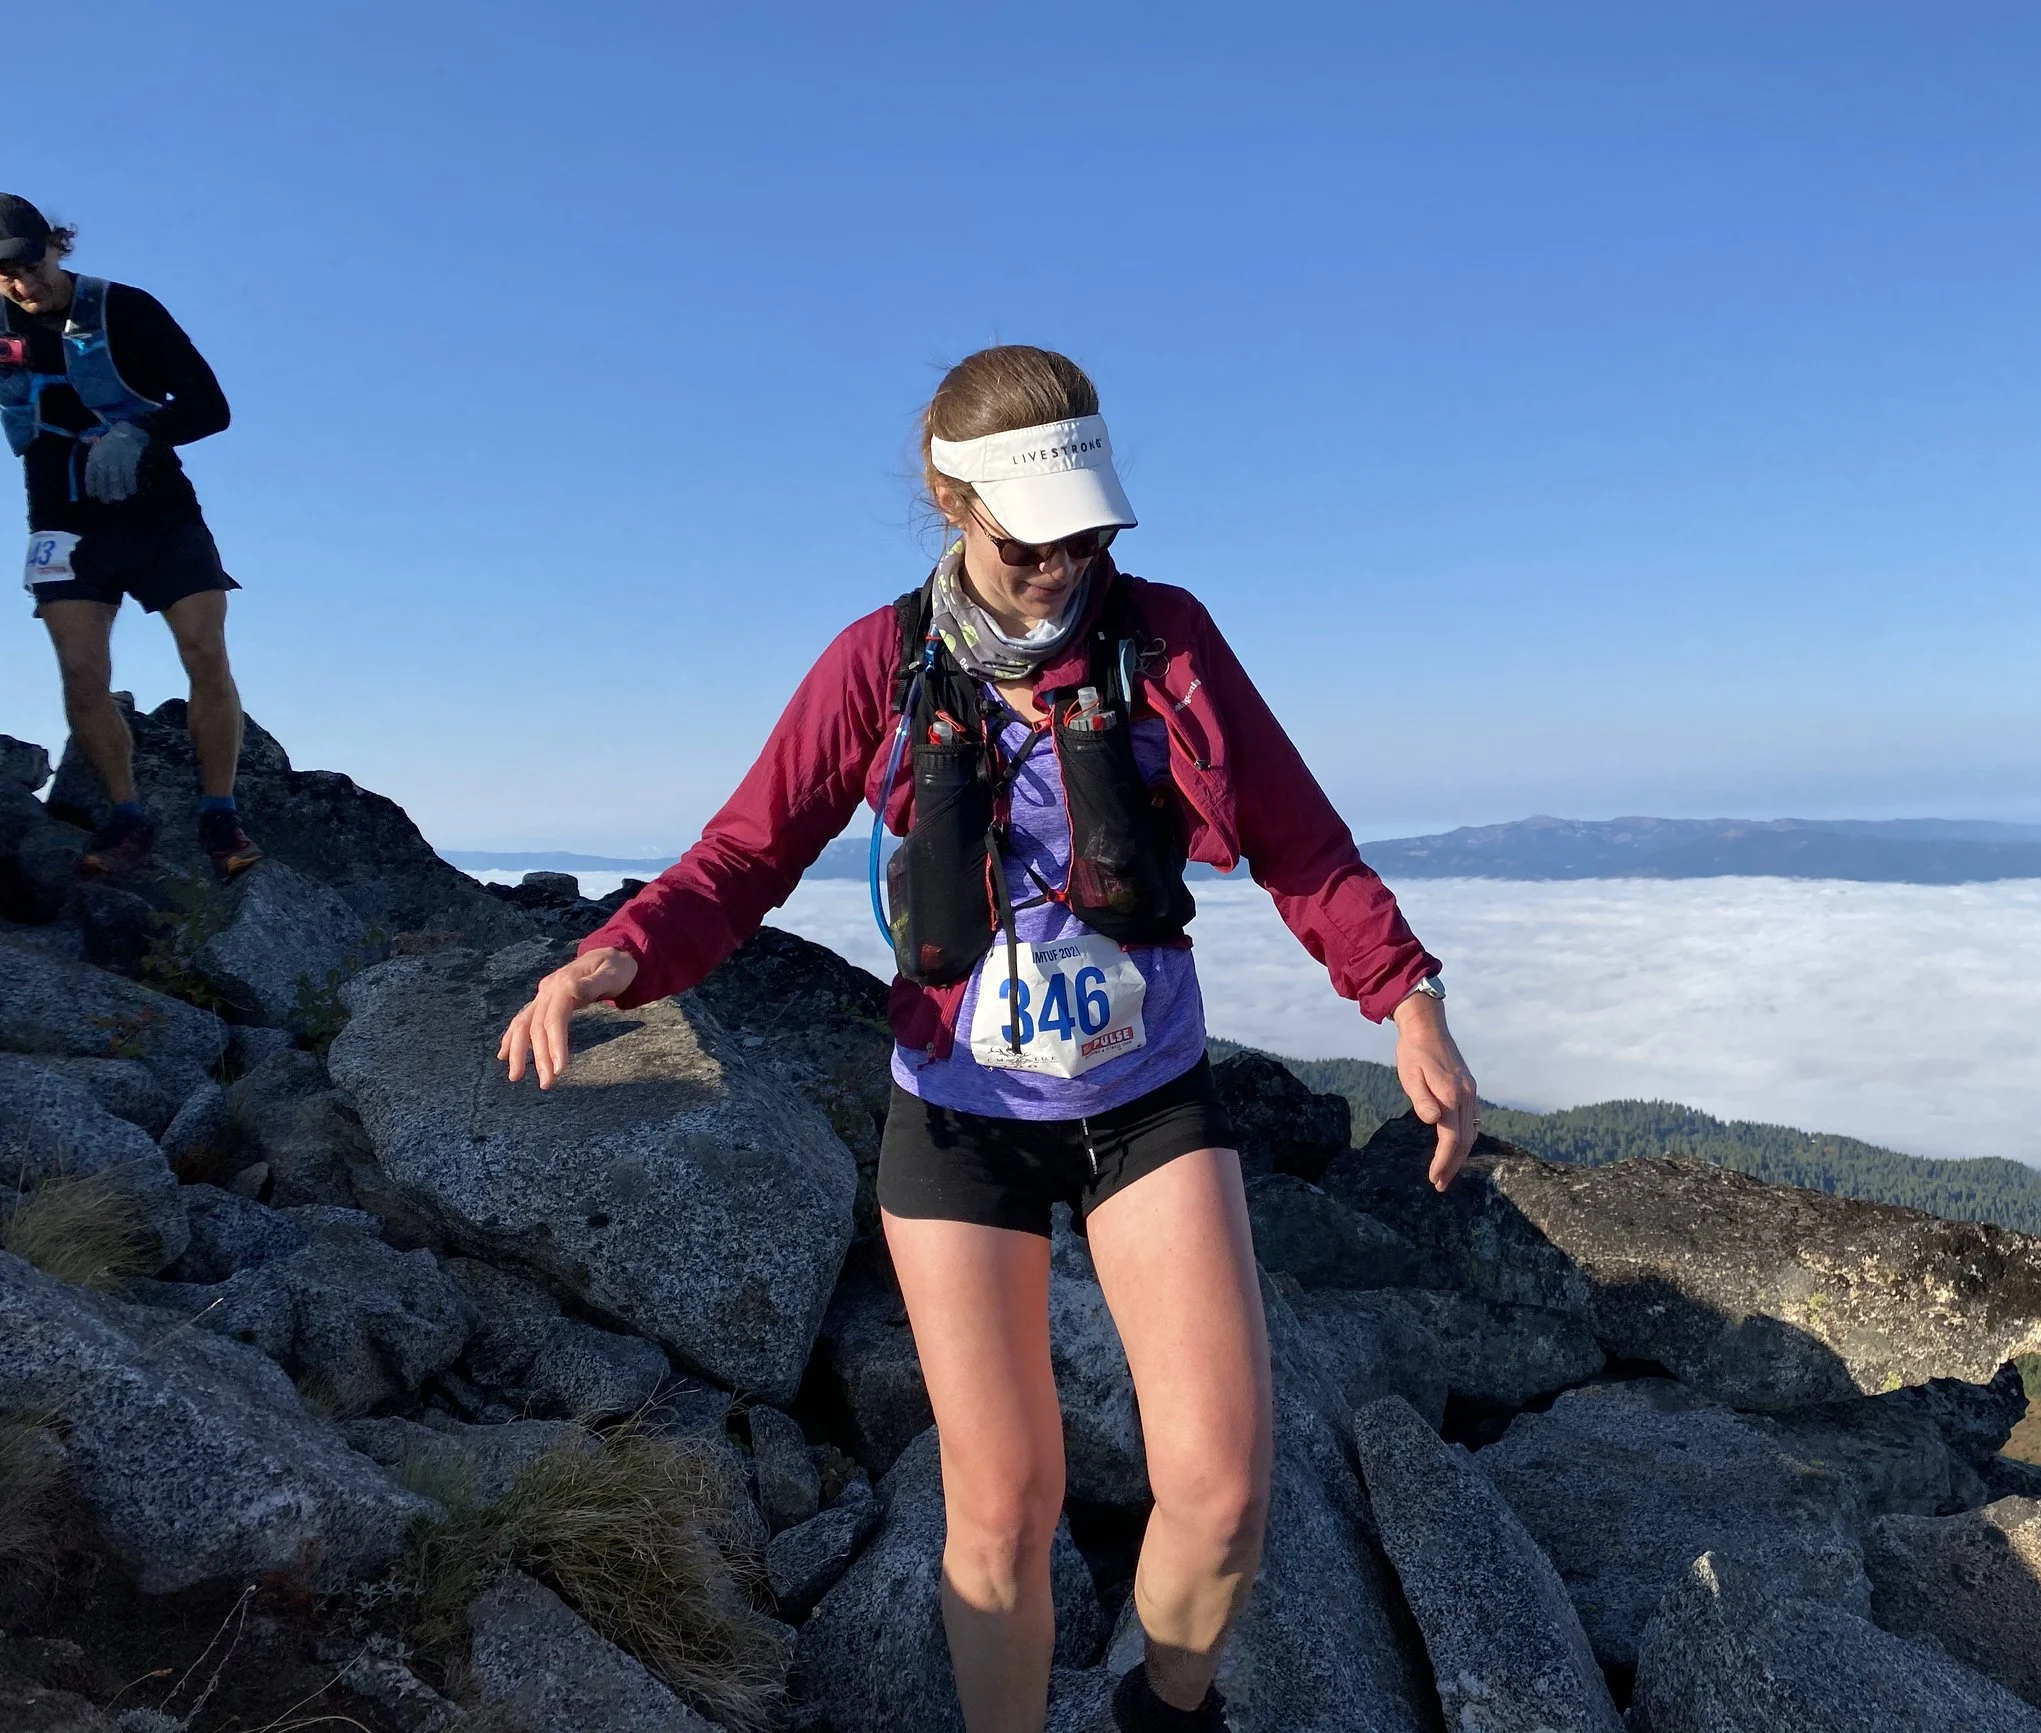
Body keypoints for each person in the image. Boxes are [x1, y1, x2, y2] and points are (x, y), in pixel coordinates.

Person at [497, 346, 1476, 1733]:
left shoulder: (1166, 641)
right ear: (951, 501)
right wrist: (617, 958)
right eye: (1029, 536)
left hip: (1145, 1096)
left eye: (1084, 529)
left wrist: (1405, 998)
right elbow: (742, 854)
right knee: (1003, 1506)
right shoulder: (877, 664)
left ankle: (1166, 1709)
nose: (1060, 560)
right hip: (955, 1111)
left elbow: (1298, 838)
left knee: (1222, 1487)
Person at [0, 194, 261, 878]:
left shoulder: (126, 309)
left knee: (205, 650)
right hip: (61, 518)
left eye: (27, 263)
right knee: (83, 671)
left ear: (55, 244)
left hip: (160, 511)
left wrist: (140, 429)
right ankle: (126, 818)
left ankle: (219, 812)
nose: (20, 284)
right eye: (1, 275)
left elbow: (212, 406)